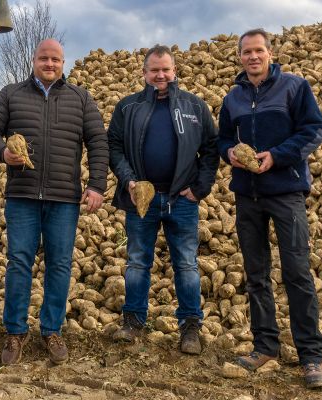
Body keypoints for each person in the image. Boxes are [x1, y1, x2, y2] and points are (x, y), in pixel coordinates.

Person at [0, 38, 108, 366]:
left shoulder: (80, 98)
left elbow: (97, 141)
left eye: (55, 59)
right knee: (19, 262)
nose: (49, 64)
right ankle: (14, 332)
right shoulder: (11, 94)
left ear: (63, 63)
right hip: (22, 195)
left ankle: (52, 330)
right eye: (43, 58)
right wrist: (3, 153)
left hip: (64, 197)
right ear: (34, 60)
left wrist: (95, 184)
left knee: (60, 264)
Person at [217, 28, 322, 388]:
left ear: (270, 52)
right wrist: (229, 153)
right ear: (239, 57)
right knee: (256, 273)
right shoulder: (233, 97)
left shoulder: (294, 87)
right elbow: (221, 138)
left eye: (259, 51)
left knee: (297, 271)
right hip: (247, 195)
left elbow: (314, 130)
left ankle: (311, 356)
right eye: (246, 52)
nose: (253, 57)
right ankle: (265, 345)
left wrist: (276, 157)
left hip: (285, 191)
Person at [107, 45, 219, 354]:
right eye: (154, 70)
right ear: (144, 73)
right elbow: (113, 146)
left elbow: (212, 148)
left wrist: (200, 188)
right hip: (140, 199)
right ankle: (132, 322)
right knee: (138, 261)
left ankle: (190, 327)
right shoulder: (127, 107)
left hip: (181, 199)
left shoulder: (194, 106)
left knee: (186, 264)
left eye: (166, 69)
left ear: (175, 71)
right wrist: (129, 180)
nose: (160, 75)